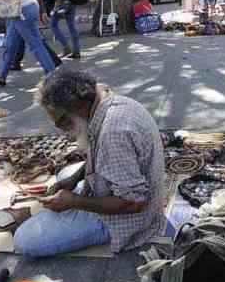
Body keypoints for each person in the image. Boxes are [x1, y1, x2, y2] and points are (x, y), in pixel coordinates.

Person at [14, 67, 166, 257]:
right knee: (66, 174)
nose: (62, 130)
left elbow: (134, 202)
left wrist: (75, 201)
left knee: (24, 240)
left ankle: (74, 217)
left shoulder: (113, 132)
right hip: (119, 184)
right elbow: (98, 151)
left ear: (79, 108)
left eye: (62, 122)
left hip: (128, 218)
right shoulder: (105, 98)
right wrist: (76, 179)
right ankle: (65, 206)